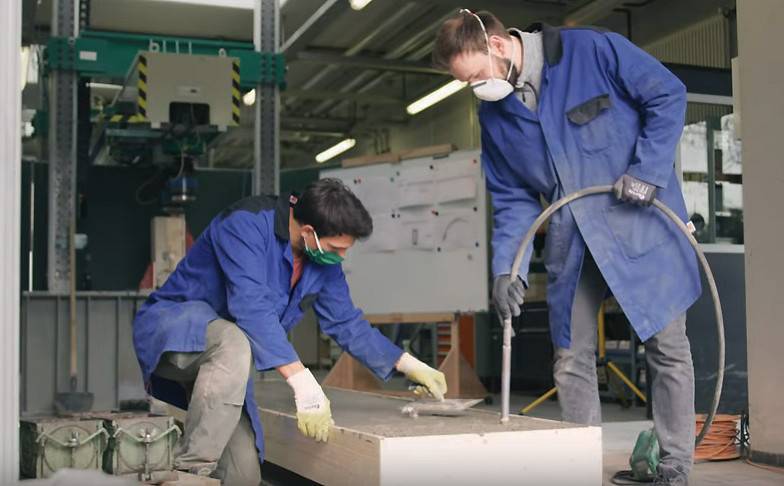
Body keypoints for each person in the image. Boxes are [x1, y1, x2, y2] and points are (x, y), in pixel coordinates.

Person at [433, 10, 700, 486]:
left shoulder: (592, 51)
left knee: (667, 346)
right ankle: (579, 467)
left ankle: (674, 464)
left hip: (638, 221)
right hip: (571, 239)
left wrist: (648, 171)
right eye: (464, 82)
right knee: (571, 356)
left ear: (496, 46)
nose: (474, 87)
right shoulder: (493, 113)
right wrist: (505, 270)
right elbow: (512, 197)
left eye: (474, 76)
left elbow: (667, 94)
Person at [133, 178, 447, 485]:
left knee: (243, 476)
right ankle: (189, 476)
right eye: (337, 248)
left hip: (226, 365)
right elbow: (252, 310)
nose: (340, 258)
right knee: (233, 341)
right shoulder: (246, 224)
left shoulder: (322, 259)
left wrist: (407, 364)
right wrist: (304, 383)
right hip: (174, 331)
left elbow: (346, 321)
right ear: (309, 231)